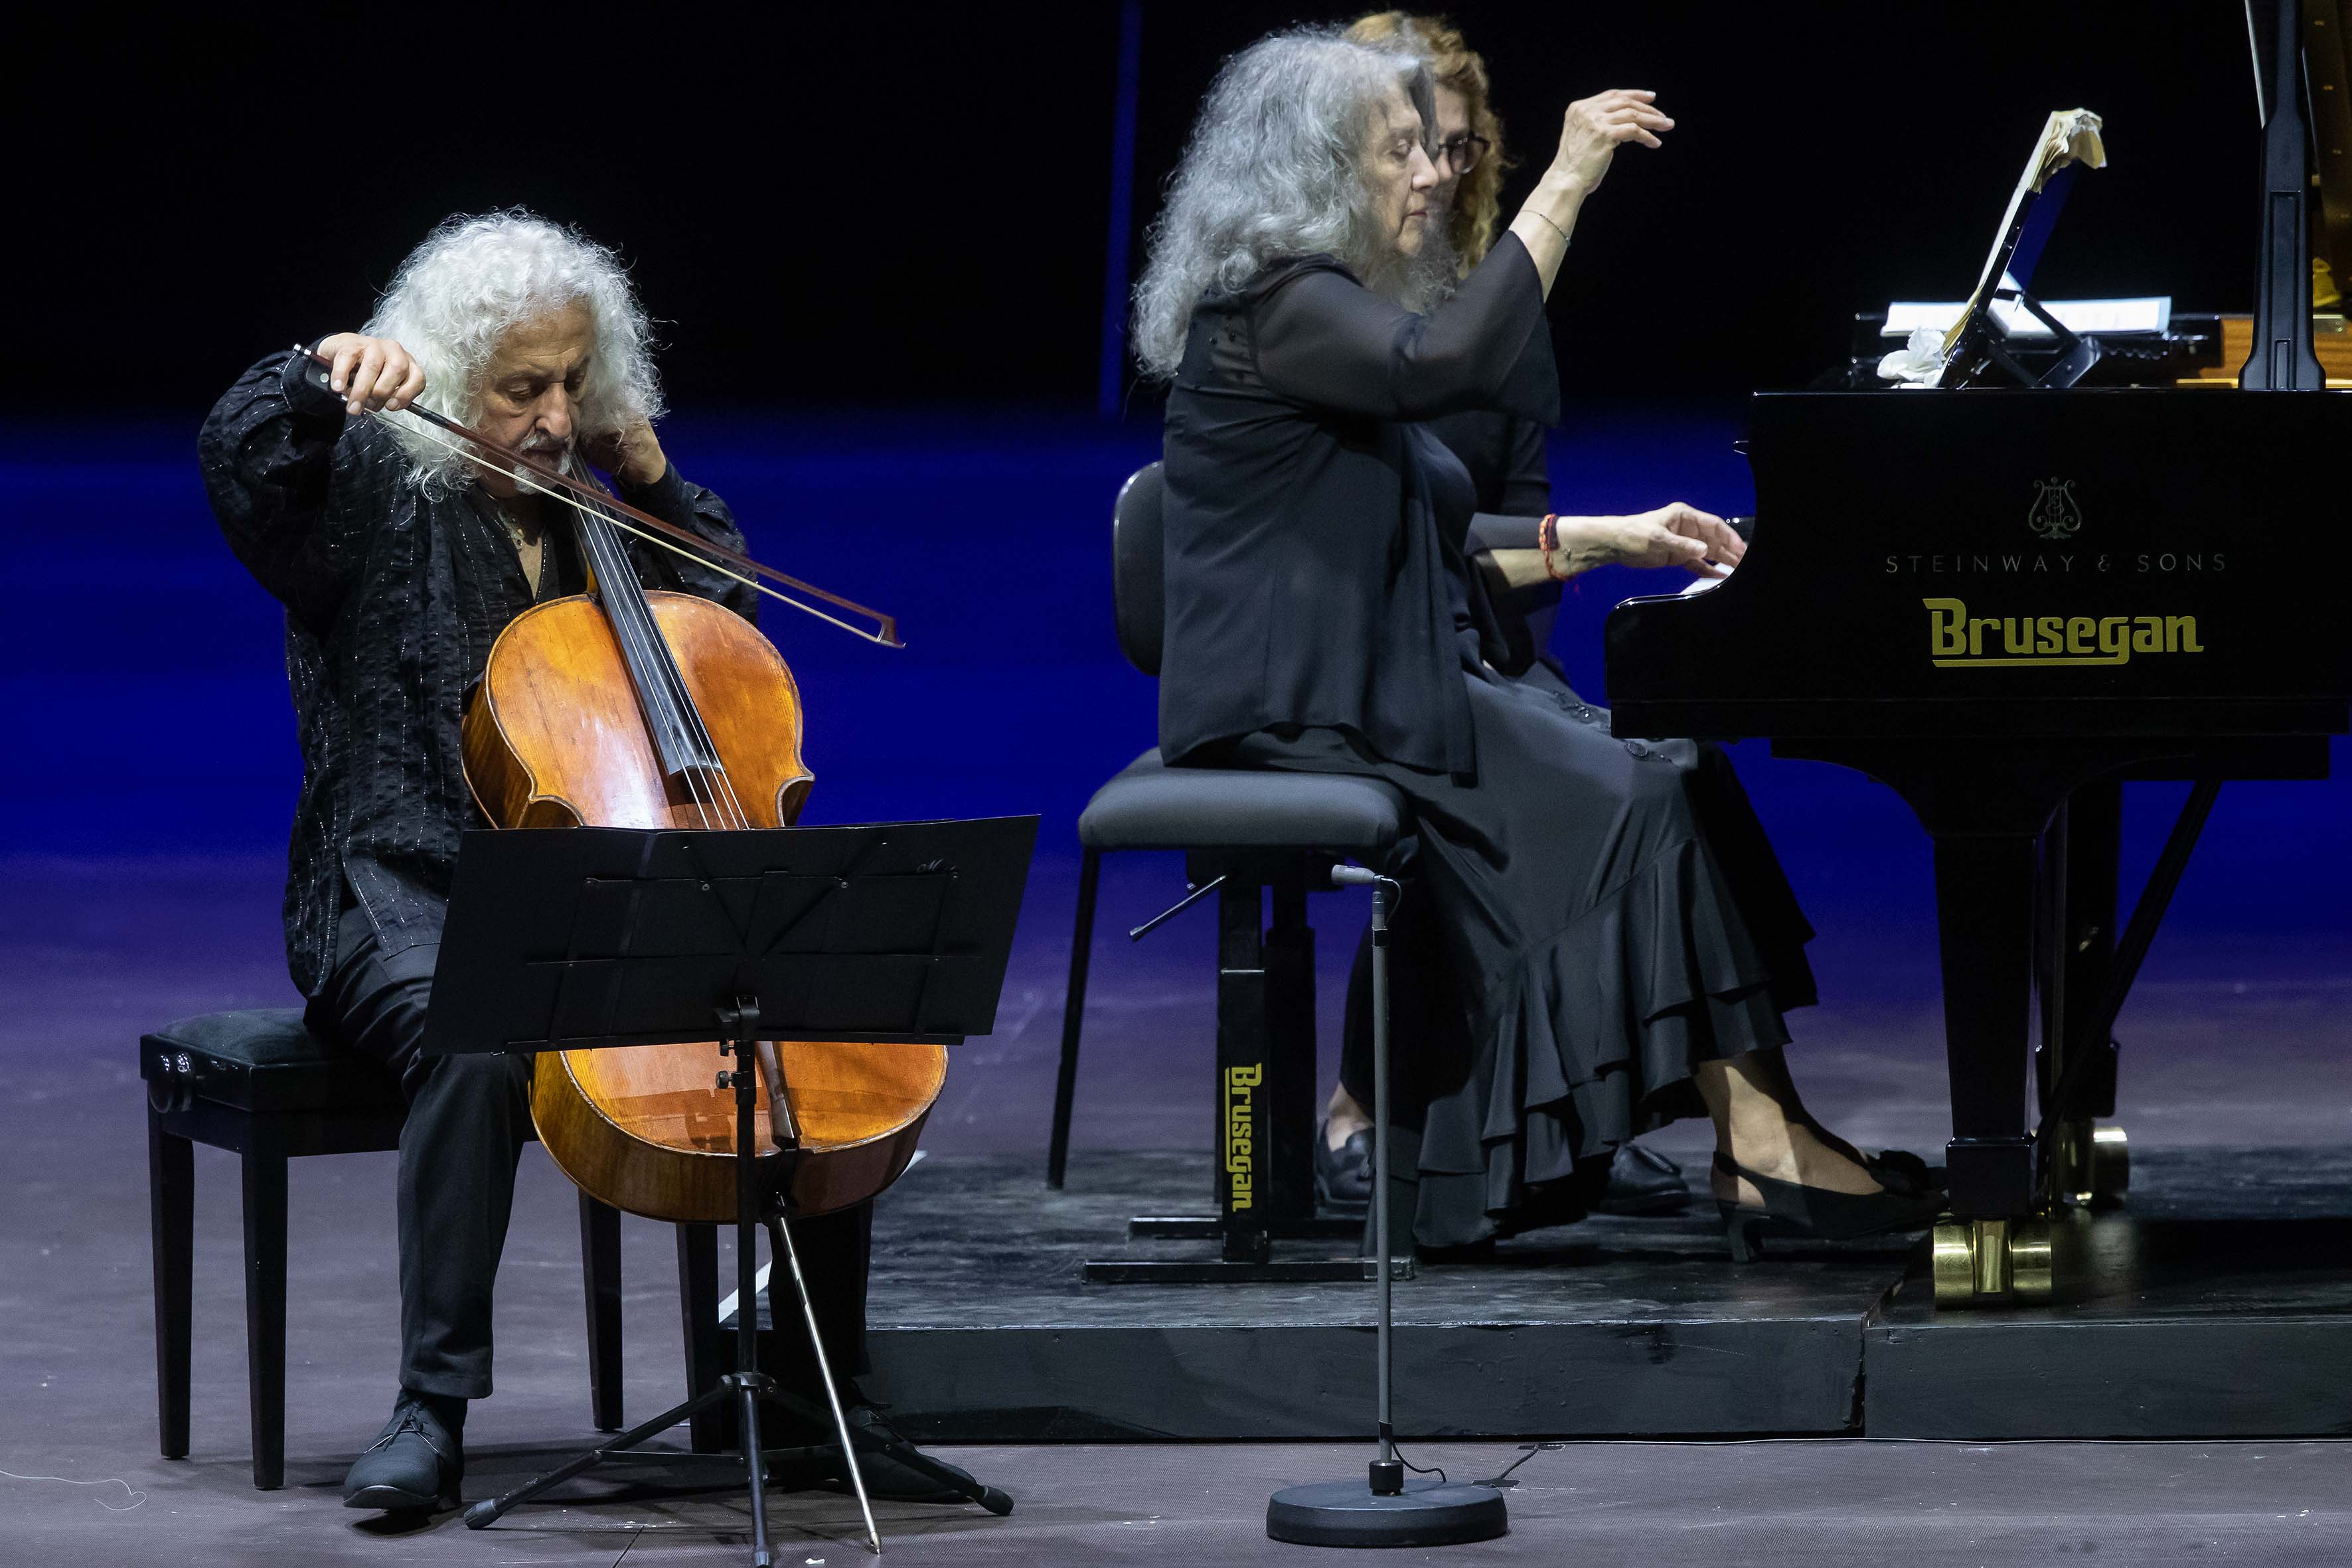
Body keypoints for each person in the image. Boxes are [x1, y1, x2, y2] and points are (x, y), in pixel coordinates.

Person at [1135, 29, 1943, 1257]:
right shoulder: (1278, 312)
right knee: (1636, 798)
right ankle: (1758, 1145)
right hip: (1304, 703)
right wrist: (1567, 180)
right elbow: (1446, 360)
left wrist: (1620, 538)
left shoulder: (1318, 313)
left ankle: (1763, 1126)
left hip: (1378, 672)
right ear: (1316, 174)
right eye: (1398, 151)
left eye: (1431, 147)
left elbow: (1435, 537)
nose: (1429, 176)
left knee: (1678, 764)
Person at [198, 210, 959, 1514]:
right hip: (399, 893)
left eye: (569, 384)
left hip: (607, 897)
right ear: (445, 377)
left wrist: (651, 478)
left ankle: (803, 1391)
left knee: (816, 1006)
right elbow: (244, 466)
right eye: (518, 389)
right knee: (477, 1037)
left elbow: (727, 620)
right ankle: (431, 1407)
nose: (552, 418)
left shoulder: (599, 521)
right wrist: (316, 377)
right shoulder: (373, 496)